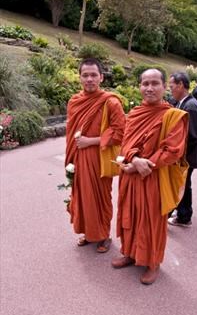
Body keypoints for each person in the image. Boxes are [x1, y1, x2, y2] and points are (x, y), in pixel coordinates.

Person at [112, 69, 189, 285]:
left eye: (155, 83)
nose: (149, 88)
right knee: (130, 215)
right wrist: (133, 159)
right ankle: (130, 252)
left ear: (165, 87)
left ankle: (153, 262)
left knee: (152, 220)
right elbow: (125, 142)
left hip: (153, 177)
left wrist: (142, 164)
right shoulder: (135, 113)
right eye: (145, 83)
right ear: (139, 87)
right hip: (130, 175)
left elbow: (173, 150)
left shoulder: (173, 116)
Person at [65, 58, 126, 252]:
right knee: (82, 197)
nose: (89, 79)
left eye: (93, 75)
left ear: (101, 77)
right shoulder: (75, 102)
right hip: (79, 157)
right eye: (85, 75)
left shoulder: (111, 102)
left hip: (100, 159)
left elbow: (120, 133)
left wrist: (90, 141)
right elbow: (71, 132)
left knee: (100, 198)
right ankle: (87, 232)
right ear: (80, 77)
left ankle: (103, 236)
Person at [168, 72, 197, 227]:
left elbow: (192, 137)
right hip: (185, 155)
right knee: (183, 184)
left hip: (187, 156)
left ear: (181, 85)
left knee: (183, 185)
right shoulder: (184, 102)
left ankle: (184, 216)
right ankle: (181, 212)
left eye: (172, 86)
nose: (170, 90)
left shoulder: (191, 107)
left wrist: (178, 156)